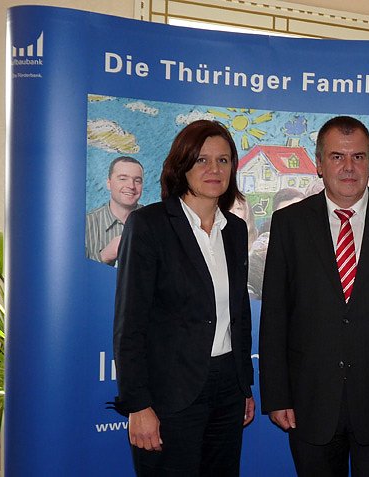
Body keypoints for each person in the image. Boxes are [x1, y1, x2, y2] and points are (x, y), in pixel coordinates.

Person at [259, 116, 369, 476]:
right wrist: (277, 395)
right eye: (337, 157)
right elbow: (276, 314)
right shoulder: (289, 223)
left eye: (358, 157)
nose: (348, 167)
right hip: (310, 403)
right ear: (319, 163)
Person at [113, 120, 255, 476]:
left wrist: (244, 385)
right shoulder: (149, 225)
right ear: (181, 165)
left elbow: (238, 313)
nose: (214, 170)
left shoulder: (235, 231)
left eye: (223, 160)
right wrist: (138, 405)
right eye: (202, 160)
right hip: (170, 393)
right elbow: (130, 324)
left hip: (228, 387)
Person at [247, 188, 305, 299]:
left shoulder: (323, 249)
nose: (292, 220)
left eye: (299, 213)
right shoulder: (260, 255)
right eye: (285, 214)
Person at [85, 156, 143, 266]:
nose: (131, 186)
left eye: (137, 181)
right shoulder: (85, 224)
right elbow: (72, 272)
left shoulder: (156, 222)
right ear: (109, 183)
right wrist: (104, 256)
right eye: (123, 179)